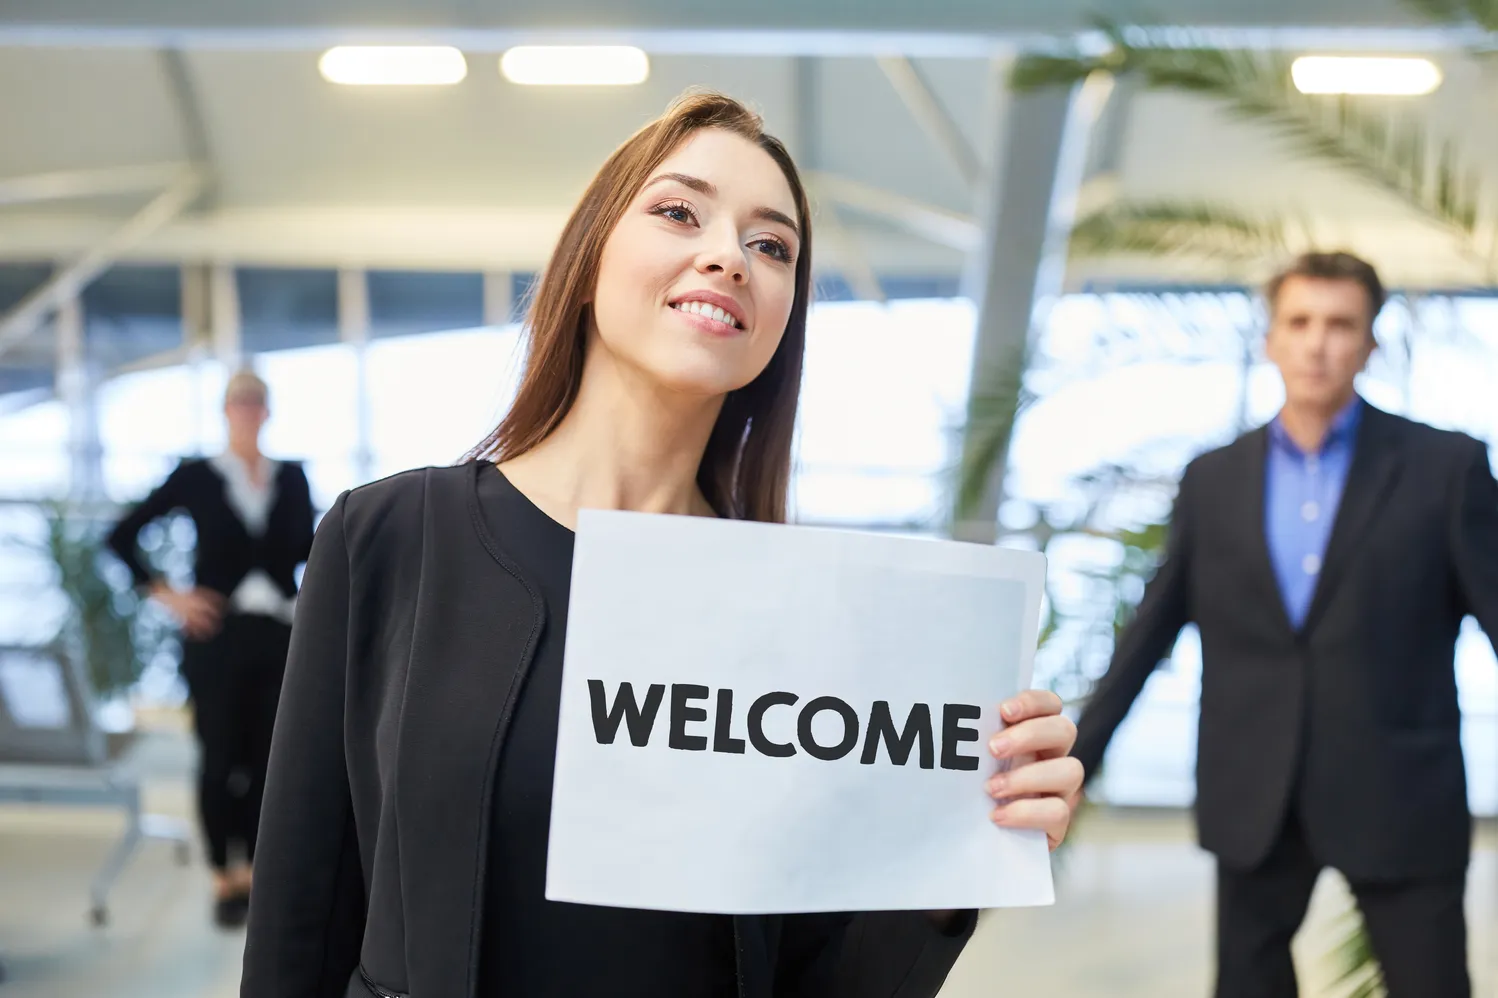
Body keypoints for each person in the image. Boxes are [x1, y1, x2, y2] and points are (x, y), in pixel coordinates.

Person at [241, 92, 1083, 998]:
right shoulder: (390, 538)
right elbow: (302, 915)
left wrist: (960, 838)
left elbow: (817, 980)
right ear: (592, 256)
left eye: (773, 247)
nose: (728, 256)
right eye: (680, 211)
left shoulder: (806, 617)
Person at [1070, 251, 1498, 998]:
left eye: (1340, 324)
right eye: (1299, 322)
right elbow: (1152, 631)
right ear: (1270, 337)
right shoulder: (1213, 478)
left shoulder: (1448, 468)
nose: (1317, 343)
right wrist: (1079, 758)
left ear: (1370, 342)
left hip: (1400, 798)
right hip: (1255, 794)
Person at [107, 369, 315, 928]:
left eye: (257, 402)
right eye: (238, 402)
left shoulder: (291, 477)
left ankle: (255, 870)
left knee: (270, 756)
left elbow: (311, 551)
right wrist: (169, 596)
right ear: (225, 411)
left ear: (268, 411)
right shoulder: (197, 475)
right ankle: (223, 874)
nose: (248, 411)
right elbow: (121, 535)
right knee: (219, 756)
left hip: (279, 635)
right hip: (215, 636)